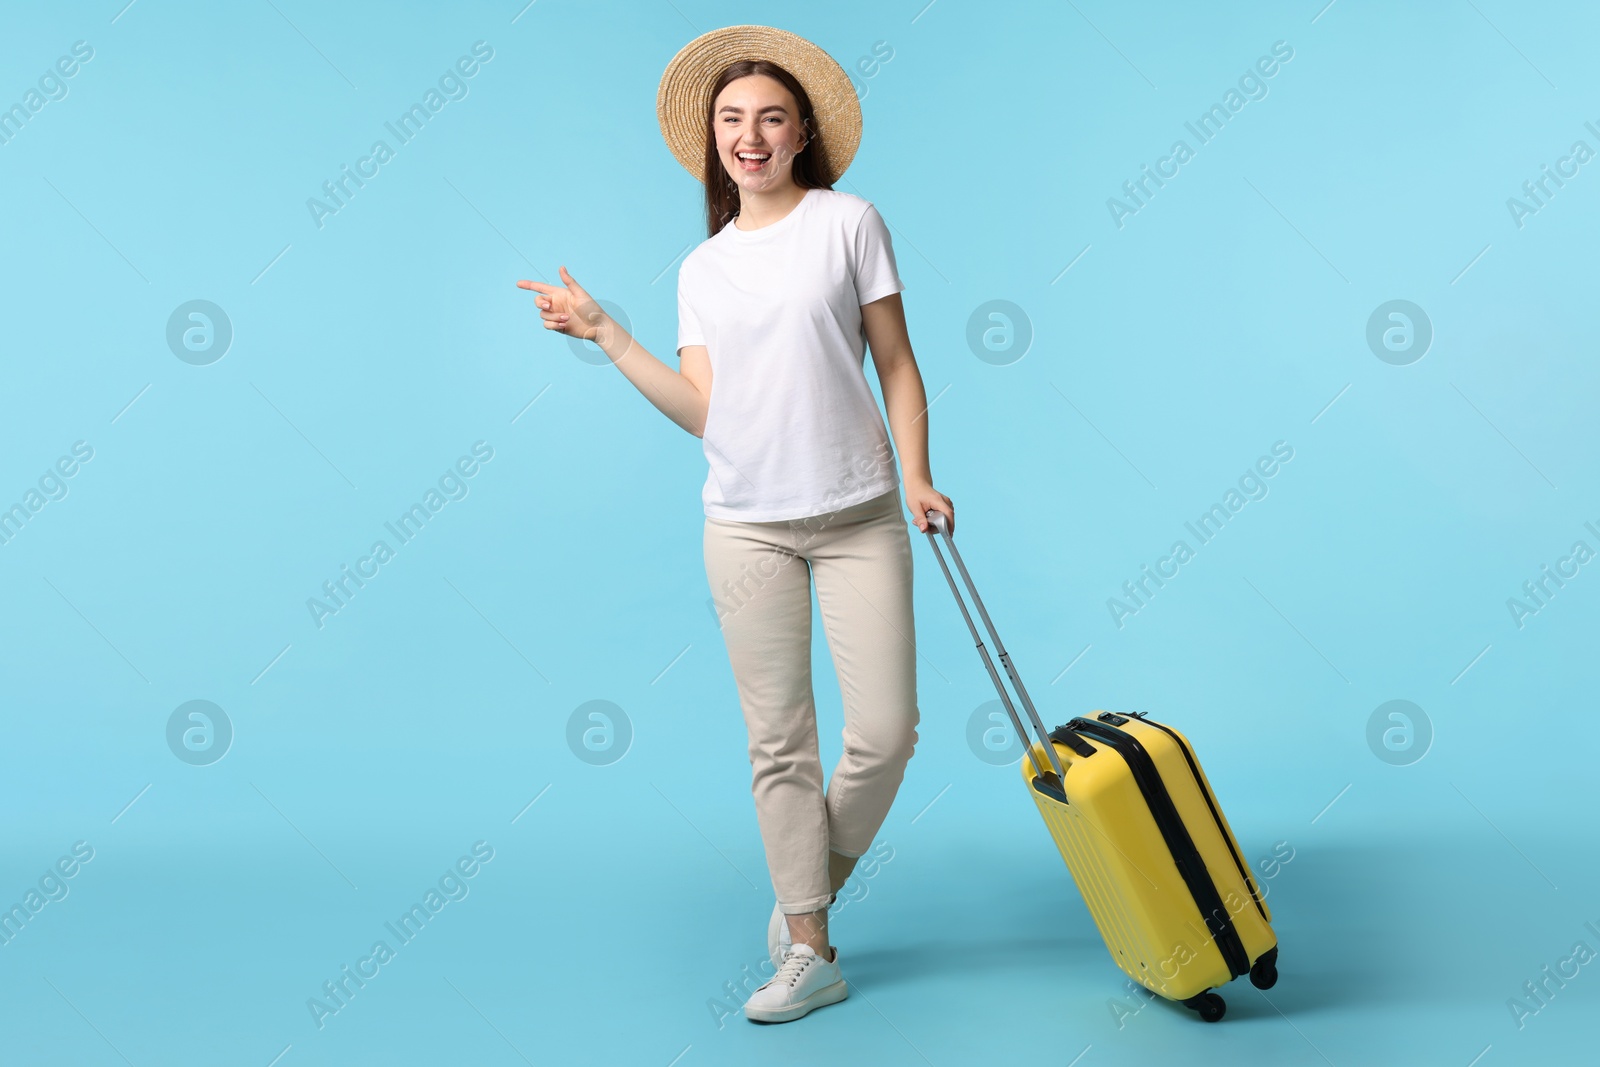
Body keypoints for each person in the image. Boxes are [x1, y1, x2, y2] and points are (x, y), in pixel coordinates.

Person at [519, 24, 953, 1025]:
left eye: (769, 118)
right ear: (711, 139)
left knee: (886, 735)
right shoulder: (701, 268)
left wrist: (919, 472)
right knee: (780, 742)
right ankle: (811, 943)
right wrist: (605, 333)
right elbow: (707, 412)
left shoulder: (850, 223)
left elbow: (894, 361)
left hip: (859, 513)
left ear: (800, 133)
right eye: (731, 121)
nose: (748, 136)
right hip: (745, 526)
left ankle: (810, 882)